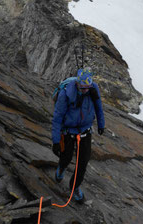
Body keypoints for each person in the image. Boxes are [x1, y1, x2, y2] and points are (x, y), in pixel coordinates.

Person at [51, 67, 105, 203]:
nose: (85, 90)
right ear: (77, 84)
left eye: (88, 87)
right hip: (68, 131)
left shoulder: (93, 89)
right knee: (66, 156)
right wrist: (56, 141)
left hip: (85, 130)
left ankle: (74, 187)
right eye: (83, 88)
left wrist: (101, 124)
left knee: (83, 162)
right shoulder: (66, 93)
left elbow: (98, 107)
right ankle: (62, 167)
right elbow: (57, 117)